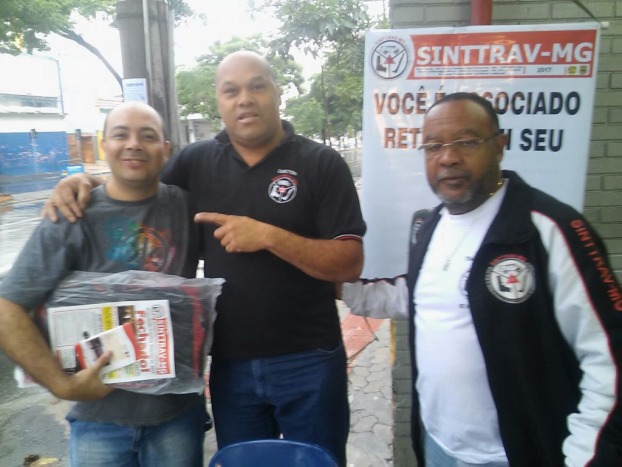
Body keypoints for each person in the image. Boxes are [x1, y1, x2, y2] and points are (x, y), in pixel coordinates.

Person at [44, 51, 366, 466]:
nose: (244, 99)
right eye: (231, 91)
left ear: (277, 92)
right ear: (219, 101)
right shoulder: (195, 162)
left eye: (257, 86)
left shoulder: (321, 163)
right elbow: (134, 186)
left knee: (318, 461)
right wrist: (84, 182)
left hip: (309, 360)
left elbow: (349, 263)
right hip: (230, 365)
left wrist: (269, 236)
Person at [342, 92, 622, 466]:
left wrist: (586, 458)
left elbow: (609, 356)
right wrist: (338, 288)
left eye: (466, 141)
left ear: (499, 146)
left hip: (517, 454)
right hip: (438, 445)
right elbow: (417, 297)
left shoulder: (550, 229)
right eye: (433, 146)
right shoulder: (432, 224)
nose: (448, 157)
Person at [0, 101, 211, 466]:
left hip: (177, 418)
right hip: (98, 423)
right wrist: (62, 384)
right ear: (104, 145)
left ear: (165, 149)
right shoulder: (71, 215)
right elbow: (7, 309)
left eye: (148, 136)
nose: (133, 144)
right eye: (120, 134)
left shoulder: (186, 208)